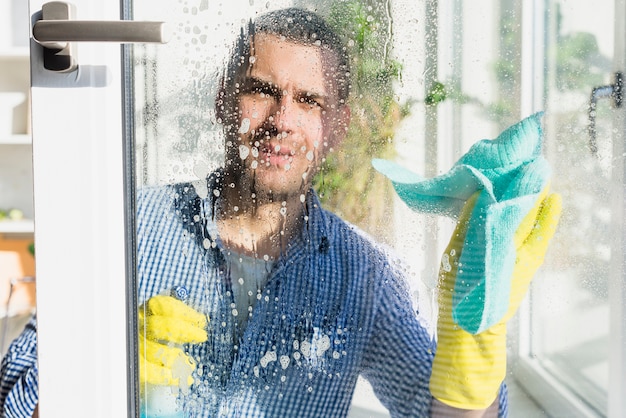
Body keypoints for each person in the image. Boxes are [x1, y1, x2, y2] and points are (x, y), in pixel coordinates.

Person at [1, 7, 560, 418]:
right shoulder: (128, 225)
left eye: (308, 101)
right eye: (262, 90)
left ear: (335, 126)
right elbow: (12, 398)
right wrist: (102, 363)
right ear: (224, 100)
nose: (281, 120)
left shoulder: (364, 276)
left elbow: (438, 413)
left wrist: (475, 341)